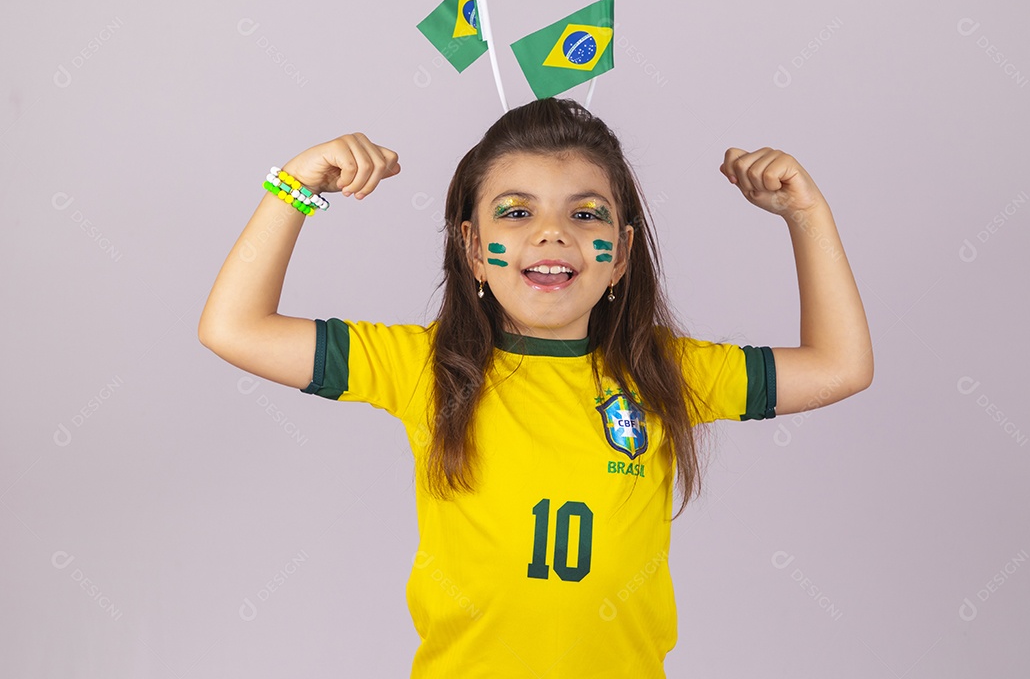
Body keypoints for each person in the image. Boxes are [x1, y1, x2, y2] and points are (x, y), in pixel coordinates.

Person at [198, 98, 872, 677]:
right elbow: (234, 327)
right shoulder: (424, 366)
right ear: (471, 248)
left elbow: (840, 366)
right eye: (516, 213)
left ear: (623, 256)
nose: (553, 231)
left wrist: (805, 215)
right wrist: (294, 184)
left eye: (586, 215)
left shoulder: (666, 372)